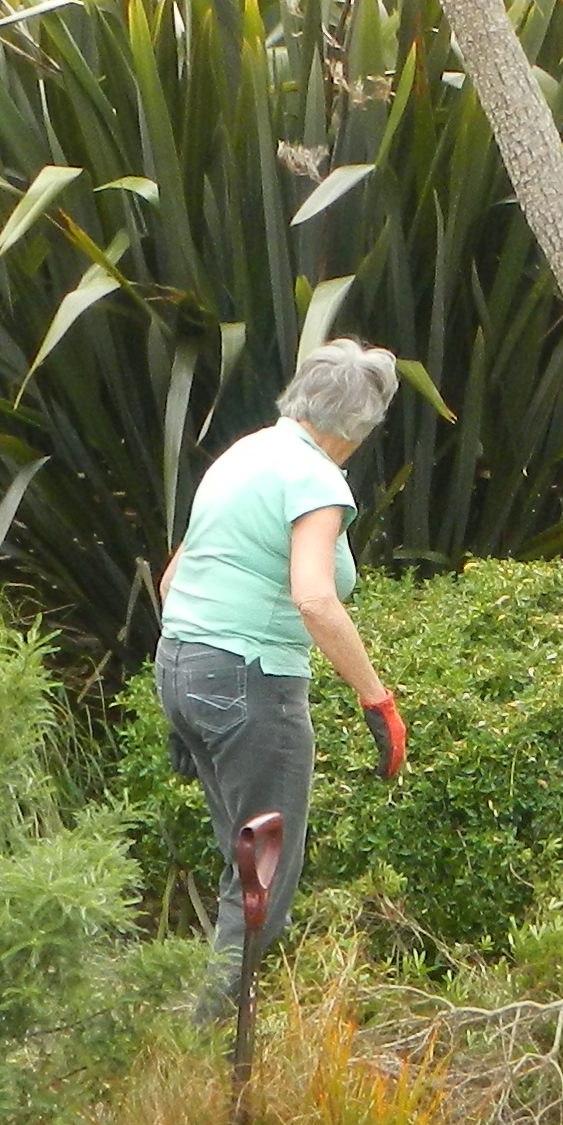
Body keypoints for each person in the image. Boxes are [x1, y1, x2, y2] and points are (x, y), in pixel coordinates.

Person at [155, 340, 407, 997]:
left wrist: (187, 703)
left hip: (182, 665)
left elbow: (174, 580)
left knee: (242, 868)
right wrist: (376, 699)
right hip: (251, 683)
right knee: (261, 887)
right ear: (362, 425)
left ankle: (216, 1025)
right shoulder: (316, 478)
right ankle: (209, 1041)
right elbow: (315, 599)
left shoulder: (244, 455)